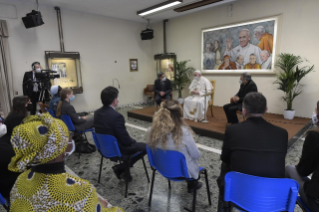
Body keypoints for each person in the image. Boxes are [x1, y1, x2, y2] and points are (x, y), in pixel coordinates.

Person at [8, 113, 124, 212]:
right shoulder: (80, 192)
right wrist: (100, 206)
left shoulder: (19, 183)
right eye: (68, 136)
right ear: (57, 148)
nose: (71, 139)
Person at [217, 92, 288, 212]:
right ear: (266, 110)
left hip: (239, 192)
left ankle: (224, 206)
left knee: (225, 166)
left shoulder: (232, 130)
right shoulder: (282, 133)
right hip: (271, 196)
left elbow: (225, 158)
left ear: (244, 111)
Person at [147, 100, 202, 193]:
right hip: (183, 172)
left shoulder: (151, 131)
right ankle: (192, 183)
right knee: (191, 159)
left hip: (162, 168)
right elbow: (196, 155)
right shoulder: (183, 133)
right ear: (179, 115)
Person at [94, 86, 147, 181]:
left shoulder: (97, 113)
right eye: (117, 98)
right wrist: (133, 141)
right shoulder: (117, 116)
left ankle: (123, 167)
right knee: (146, 147)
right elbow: (125, 140)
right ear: (115, 100)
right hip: (118, 149)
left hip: (103, 148)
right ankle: (121, 167)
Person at [0, 96, 29, 200]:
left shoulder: (13, 115)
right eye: (26, 103)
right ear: (22, 105)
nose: (28, 105)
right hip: (13, 189)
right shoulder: (18, 117)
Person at [285, 125, 319, 211]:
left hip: (316, 201)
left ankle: (280, 206)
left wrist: (300, 164)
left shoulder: (315, 136)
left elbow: (303, 171)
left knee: (289, 169)